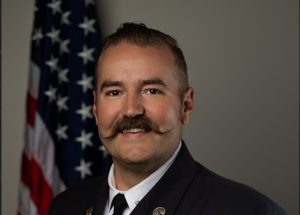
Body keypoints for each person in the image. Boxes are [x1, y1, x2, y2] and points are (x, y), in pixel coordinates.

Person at [49, 22, 286, 215]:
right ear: (95, 109)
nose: (131, 110)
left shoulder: (249, 211)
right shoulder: (65, 207)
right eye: (114, 92)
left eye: (152, 90)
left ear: (186, 105)